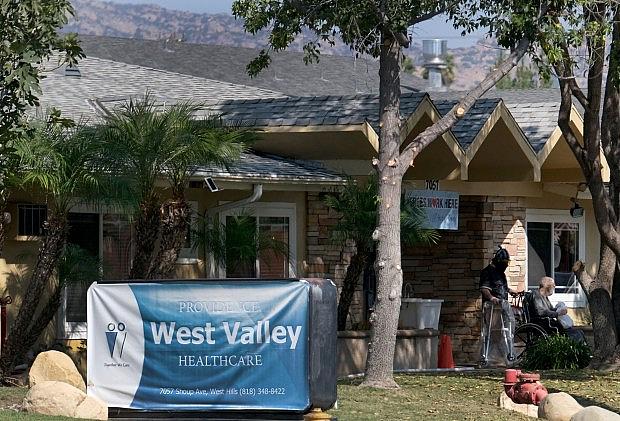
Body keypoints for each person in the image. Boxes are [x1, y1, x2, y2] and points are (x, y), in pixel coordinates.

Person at [479, 246, 519, 365]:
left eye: (507, 263)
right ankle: (487, 357)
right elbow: (484, 289)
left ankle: (507, 356)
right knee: (491, 333)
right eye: (504, 263)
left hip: (503, 306)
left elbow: (502, 287)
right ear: (497, 261)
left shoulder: (501, 273)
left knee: (506, 332)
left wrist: (510, 291)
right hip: (492, 309)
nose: (506, 265)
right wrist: (492, 298)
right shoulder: (487, 272)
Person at [530, 276, 586, 343]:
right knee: (571, 332)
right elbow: (540, 312)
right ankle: (575, 345)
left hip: (547, 322)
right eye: (553, 286)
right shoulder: (536, 295)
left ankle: (578, 345)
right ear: (547, 286)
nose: (554, 287)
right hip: (543, 324)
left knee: (576, 331)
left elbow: (550, 309)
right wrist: (557, 313)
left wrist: (560, 309)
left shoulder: (544, 296)